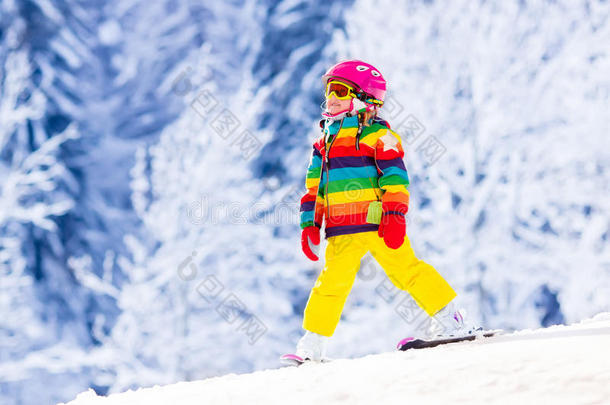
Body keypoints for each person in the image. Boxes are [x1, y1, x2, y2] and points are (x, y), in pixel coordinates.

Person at [294, 59, 477, 362]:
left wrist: (394, 215)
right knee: (330, 285)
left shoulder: (380, 136)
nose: (331, 97)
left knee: (407, 271)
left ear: (365, 99)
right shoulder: (322, 144)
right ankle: (312, 345)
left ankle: (452, 318)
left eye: (340, 90)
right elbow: (315, 188)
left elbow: (395, 179)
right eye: (329, 90)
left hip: (378, 225)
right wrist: (310, 223)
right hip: (341, 230)